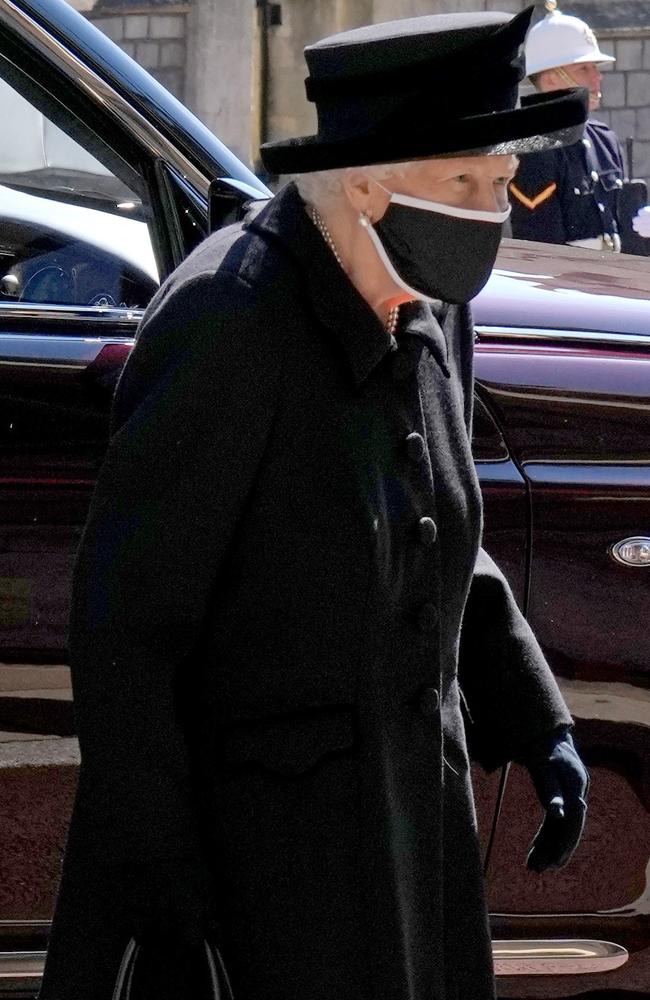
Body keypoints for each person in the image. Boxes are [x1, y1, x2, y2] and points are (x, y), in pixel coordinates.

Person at [38, 7, 590, 1000]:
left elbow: (441, 531)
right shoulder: (231, 319)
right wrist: (160, 880)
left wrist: (532, 717)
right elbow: (128, 630)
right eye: (459, 181)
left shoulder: (429, 307)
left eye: (499, 181)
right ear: (366, 182)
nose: (489, 209)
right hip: (262, 865)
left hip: (408, 829)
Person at [510, 0, 650, 250]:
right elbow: (540, 244)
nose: (597, 77)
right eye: (584, 68)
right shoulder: (532, 147)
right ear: (551, 79)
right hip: (566, 282)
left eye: (595, 67)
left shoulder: (603, 138)